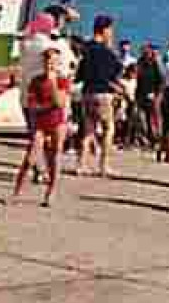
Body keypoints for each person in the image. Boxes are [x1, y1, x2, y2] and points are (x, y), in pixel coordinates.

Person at [13, 46, 71, 206]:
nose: (50, 65)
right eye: (47, 62)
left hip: (57, 122)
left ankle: (51, 192)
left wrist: (52, 85)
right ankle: (17, 192)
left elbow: (60, 102)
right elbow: (32, 105)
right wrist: (46, 105)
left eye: (53, 63)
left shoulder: (62, 80)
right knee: (30, 158)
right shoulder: (36, 81)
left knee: (54, 158)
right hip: (40, 122)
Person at [73, 14, 123, 177]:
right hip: (103, 94)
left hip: (87, 92)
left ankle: (81, 164)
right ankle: (103, 164)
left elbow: (79, 74)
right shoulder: (108, 52)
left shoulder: (86, 49)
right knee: (108, 128)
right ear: (105, 29)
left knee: (88, 130)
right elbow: (115, 73)